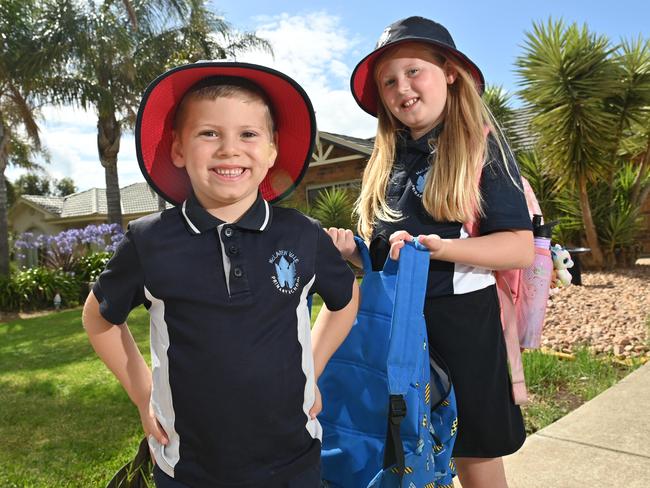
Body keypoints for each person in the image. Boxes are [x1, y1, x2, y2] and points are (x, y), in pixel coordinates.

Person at [82, 61, 359, 488]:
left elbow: (344, 300)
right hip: (189, 467)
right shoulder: (148, 241)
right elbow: (99, 317)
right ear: (178, 149)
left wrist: (313, 369)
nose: (229, 148)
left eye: (248, 134)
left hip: (294, 462)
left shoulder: (302, 234)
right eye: (209, 133)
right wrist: (143, 396)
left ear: (271, 150)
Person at [327, 17, 534, 488]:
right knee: (400, 454)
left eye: (415, 71)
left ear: (450, 73)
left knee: (472, 454)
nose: (403, 88)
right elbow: (385, 257)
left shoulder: (482, 148)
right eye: (390, 81)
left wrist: (444, 249)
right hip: (392, 324)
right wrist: (353, 253)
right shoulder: (385, 161)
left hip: (460, 325)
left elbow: (518, 248)